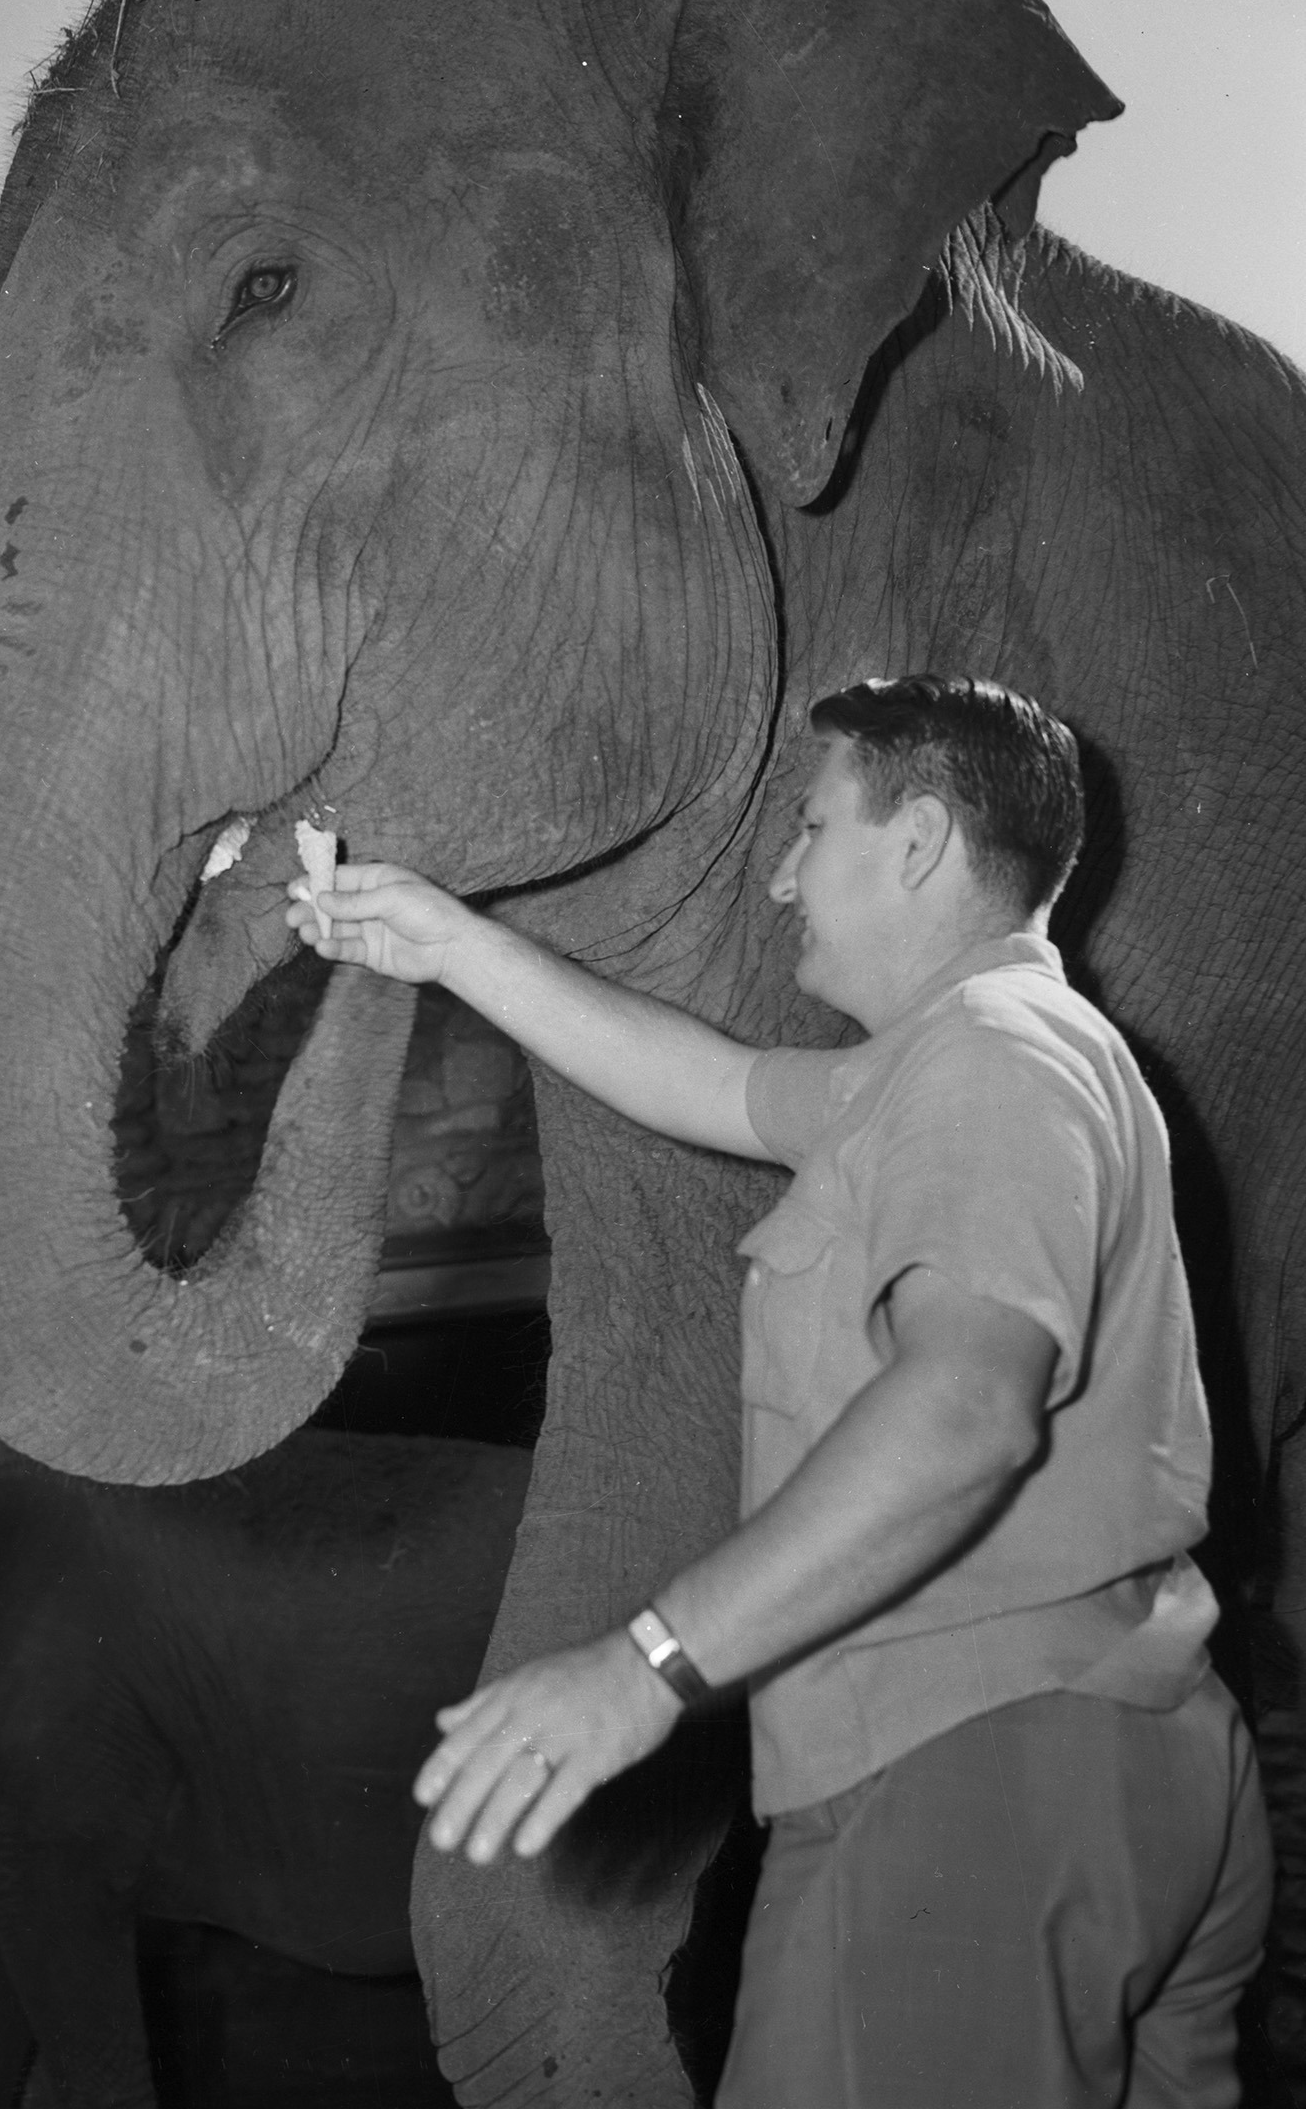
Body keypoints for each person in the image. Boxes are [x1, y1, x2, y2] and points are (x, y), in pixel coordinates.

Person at [286, 675, 1271, 2107]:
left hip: (963, 1787)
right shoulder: (967, 1062)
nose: (780, 874)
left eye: (813, 829)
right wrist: (442, 944)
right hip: (1120, 1766)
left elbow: (966, 1409)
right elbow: (708, 1080)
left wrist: (645, 1668)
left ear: (919, 843)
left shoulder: (989, 1066)